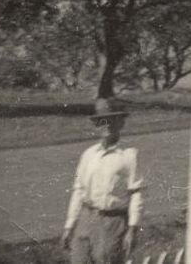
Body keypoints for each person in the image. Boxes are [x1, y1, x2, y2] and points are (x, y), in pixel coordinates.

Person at [62, 98, 144, 264]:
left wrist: (132, 230)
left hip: (113, 222)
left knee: (106, 259)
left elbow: (136, 193)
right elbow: (78, 191)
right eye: (101, 121)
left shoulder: (129, 155)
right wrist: (69, 226)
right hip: (86, 218)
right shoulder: (88, 155)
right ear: (97, 125)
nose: (106, 125)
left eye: (111, 120)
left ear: (120, 123)